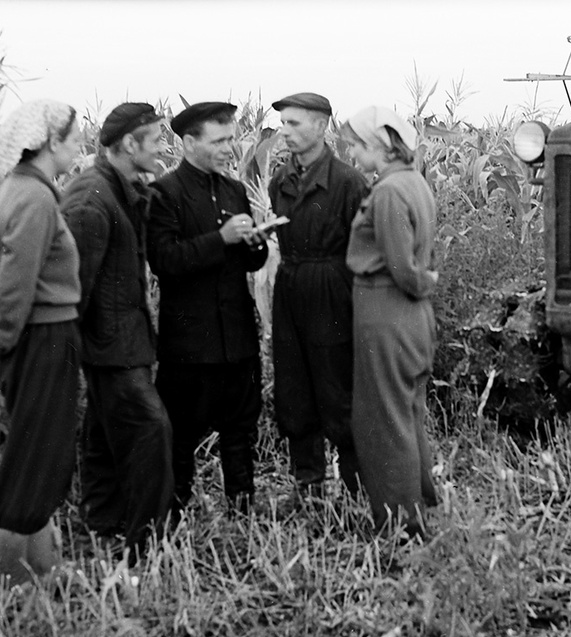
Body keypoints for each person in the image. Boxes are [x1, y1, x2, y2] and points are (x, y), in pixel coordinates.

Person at [60, 102, 174, 561]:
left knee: (104, 433)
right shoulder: (91, 199)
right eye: (156, 139)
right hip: (111, 344)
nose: (164, 147)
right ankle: (146, 542)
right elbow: (75, 287)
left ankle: (103, 523)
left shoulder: (118, 188)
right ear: (130, 144)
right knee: (151, 430)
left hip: (122, 339)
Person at [147, 101, 268, 515]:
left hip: (236, 339)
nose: (229, 149)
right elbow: (164, 261)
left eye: (232, 139)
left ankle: (243, 515)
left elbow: (250, 260)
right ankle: (174, 517)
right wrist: (221, 240)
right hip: (190, 346)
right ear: (188, 142)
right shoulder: (165, 194)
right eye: (219, 141)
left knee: (240, 433)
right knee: (180, 437)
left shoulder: (234, 190)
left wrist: (255, 244)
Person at [0, 99, 83, 583]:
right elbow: (14, 283)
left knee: (38, 454)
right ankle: (19, 588)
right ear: (49, 142)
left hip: (38, 336)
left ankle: (43, 572)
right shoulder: (36, 198)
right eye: (73, 138)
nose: (78, 146)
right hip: (43, 338)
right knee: (35, 458)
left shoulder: (19, 189)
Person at [341, 106, 439, 537]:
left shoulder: (387, 192)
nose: (355, 154)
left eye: (359, 146)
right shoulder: (414, 183)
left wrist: (425, 280)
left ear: (381, 147)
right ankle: (419, 505)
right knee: (407, 413)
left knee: (383, 420)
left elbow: (403, 268)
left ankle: (400, 525)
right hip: (410, 318)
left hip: (386, 311)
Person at [268, 92, 369, 505]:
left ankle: (356, 489)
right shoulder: (280, 182)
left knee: (337, 387)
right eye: (283, 124)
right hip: (290, 289)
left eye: (294, 123)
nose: (284, 132)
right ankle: (307, 487)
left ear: (321, 125)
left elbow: (361, 249)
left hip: (332, 292)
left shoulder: (348, 182)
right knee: (294, 387)